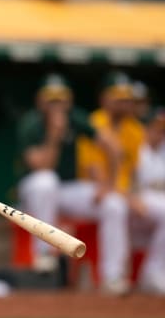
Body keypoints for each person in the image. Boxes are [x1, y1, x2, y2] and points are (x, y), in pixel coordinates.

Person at [16, 73, 128, 294]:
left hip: (68, 190)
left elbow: (114, 148)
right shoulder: (31, 123)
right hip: (33, 193)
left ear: (69, 100)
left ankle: (112, 277)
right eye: (51, 99)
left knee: (114, 204)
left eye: (61, 99)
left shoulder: (75, 118)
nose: (56, 105)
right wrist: (54, 136)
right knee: (46, 182)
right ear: (40, 100)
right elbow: (42, 166)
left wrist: (109, 185)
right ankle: (45, 256)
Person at [75, 71, 144, 293]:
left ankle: (154, 274)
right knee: (114, 204)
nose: (124, 103)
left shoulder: (135, 129)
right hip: (91, 191)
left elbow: (133, 174)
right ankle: (111, 277)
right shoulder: (93, 123)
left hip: (123, 193)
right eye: (118, 97)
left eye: (126, 98)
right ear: (105, 98)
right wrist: (125, 196)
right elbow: (95, 172)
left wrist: (132, 196)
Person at [130, 107, 165, 295]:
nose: (160, 133)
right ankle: (153, 273)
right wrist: (130, 197)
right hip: (135, 207)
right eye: (157, 128)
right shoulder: (137, 148)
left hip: (155, 207)